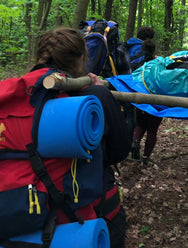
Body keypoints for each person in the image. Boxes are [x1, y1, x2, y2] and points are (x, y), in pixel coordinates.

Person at [33, 27, 131, 248]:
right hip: (89, 208)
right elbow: (120, 150)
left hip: (27, 208)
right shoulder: (95, 96)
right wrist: (100, 94)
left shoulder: (21, 94)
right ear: (80, 58)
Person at [130, 38, 163, 167]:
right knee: (152, 130)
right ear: (154, 49)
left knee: (140, 124)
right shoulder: (159, 62)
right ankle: (145, 157)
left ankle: (135, 141)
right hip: (158, 100)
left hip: (141, 97)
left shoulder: (136, 61)